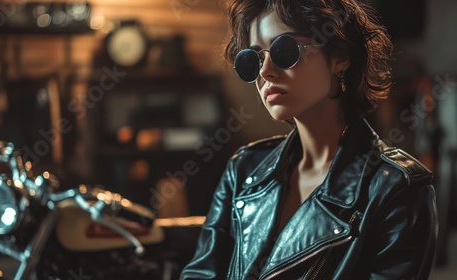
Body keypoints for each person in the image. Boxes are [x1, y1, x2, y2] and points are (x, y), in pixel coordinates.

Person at [180, 0, 438, 279]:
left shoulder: (397, 189)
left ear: (340, 55)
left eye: (284, 50)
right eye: (252, 59)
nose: (266, 72)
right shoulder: (243, 170)